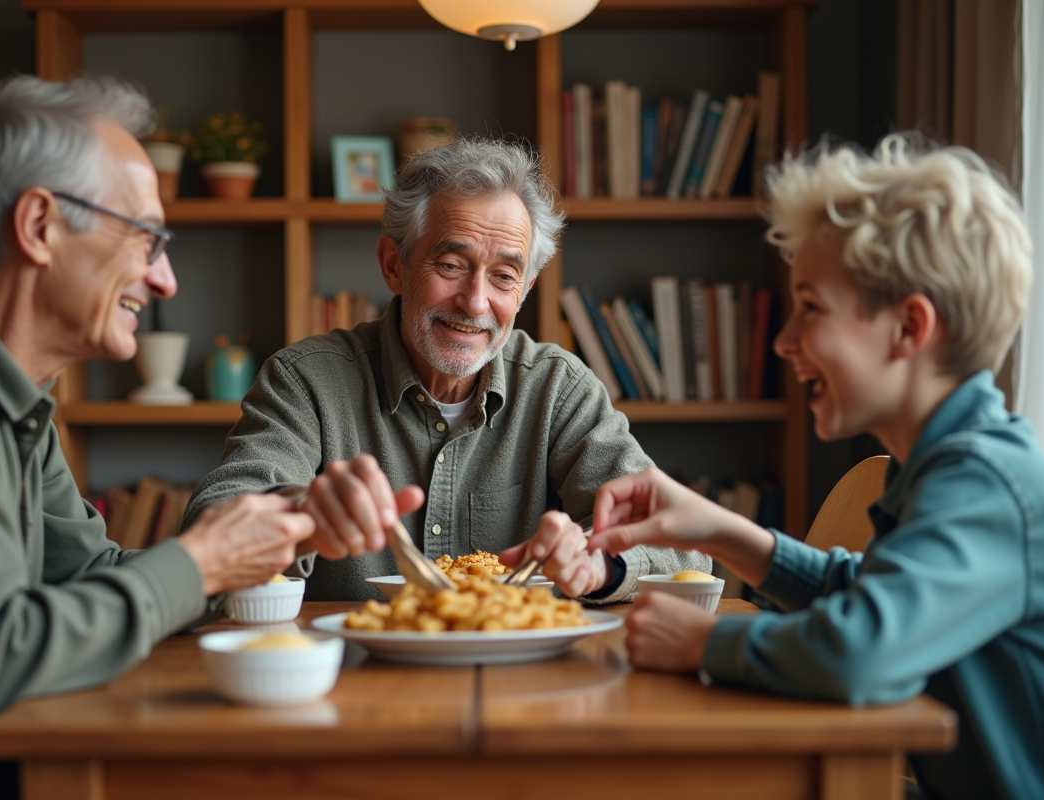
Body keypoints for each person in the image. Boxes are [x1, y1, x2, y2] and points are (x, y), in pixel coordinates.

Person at [0, 75, 315, 800]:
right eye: (146, 239)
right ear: (39, 225)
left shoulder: (8, 391)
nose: (165, 280)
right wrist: (199, 563)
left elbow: (90, 576)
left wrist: (271, 540)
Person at [586, 136, 1044, 800]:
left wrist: (705, 646)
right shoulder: (948, 465)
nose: (783, 341)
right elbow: (862, 593)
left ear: (908, 328)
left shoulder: (985, 484)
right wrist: (714, 528)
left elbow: (863, 648)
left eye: (810, 308)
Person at [184, 138, 708, 602]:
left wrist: (601, 566)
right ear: (394, 265)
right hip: (355, 671)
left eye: (504, 276)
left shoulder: (559, 389)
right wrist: (302, 513)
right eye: (452, 265)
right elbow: (212, 523)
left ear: (525, 290)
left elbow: (681, 543)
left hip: (520, 673)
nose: (476, 302)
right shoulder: (304, 381)